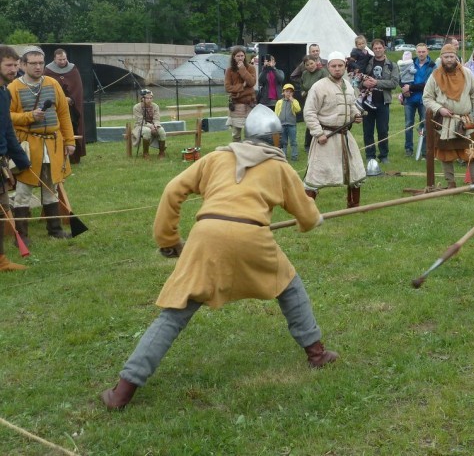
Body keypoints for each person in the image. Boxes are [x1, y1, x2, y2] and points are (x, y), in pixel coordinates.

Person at [100, 104, 337, 411]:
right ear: (275, 139)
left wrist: (169, 239)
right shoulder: (279, 168)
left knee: (174, 313)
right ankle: (317, 354)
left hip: (205, 235)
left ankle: (122, 392)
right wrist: (312, 220)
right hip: (251, 235)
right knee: (289, 288)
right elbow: (305, 215)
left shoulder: (216, 157)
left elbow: (173, 190)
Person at [8, 46, 75, 243]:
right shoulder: (14, 87)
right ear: (23, 64)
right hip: (29, 145)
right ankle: (22, 236)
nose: (38, 67)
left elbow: (63, 113)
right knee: (24, 189)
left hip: (53, 144)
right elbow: (7, 116)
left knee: (51, 186)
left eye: (40, 63)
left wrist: (70, 141)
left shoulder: (53, 83)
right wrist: (29, 116)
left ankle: (55, 230)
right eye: (33, 63)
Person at [303, 51, 366, 207]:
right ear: (327, 67)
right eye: (334, 66)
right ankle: (306, 210)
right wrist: (318, 133)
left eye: (340, 66)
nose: (337, 69)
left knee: (354, 171)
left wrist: (356, 114)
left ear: (345, 66)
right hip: (326, 136)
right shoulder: (319, 87)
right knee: (316, 174)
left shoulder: (348, 85)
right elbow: (309, 112)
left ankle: (353, 206)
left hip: (345, 136)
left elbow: (350, 104)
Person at [422, 44, 474, 188]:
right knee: (446, 154)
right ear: (441, 58)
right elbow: (427, 98)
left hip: (465, 121)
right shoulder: (435, 76)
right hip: (446, 122)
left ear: (456, 57)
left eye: (451, 56)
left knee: (471, 151)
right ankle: (451, 183)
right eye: (446, 57)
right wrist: (439, 109)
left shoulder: (467, 73)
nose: (449, 59)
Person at [0, 46, 31, 271]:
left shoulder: (5, 93)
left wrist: (21, 160)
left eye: (15, 65)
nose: (14, 69)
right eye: (8, 65)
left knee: (2, 207)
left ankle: (1, 261)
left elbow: (8, 129)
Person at [43, 48, 85, 164]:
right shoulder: (48, 71)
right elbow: (47, 89)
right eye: (60, 59)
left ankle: (74, 156)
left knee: (72, 126)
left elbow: (78, 88)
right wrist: (60, 99)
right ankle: (57, 155)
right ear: (54, 59)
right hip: (55, 108)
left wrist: (71, 99)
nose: (62, 62)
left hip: (72, 107)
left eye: (64, 59)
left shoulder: (73, 69)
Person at [361, 39, 399, 164]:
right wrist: (363, 83)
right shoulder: (367, 63)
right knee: (368, 130)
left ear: (384, 48)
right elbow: (357, 77)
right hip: (367, 101)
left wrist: (377, 82)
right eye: (375, 48)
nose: (377, 50)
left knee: (383, 130)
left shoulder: (392, 65)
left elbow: (394, 83)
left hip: (383, 101)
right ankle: (370, 155)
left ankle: (383, 155)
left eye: (379, 48)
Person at [402, 44, 435, 158]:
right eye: (419, 52)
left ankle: (424, 151)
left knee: (425, 124)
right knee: (408, 124)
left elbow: (428, 84)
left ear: (427, 52)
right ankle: (408, 149)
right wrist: (404, 89)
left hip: (424, 100)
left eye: (423, 51)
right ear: (416, 52)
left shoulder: (432, 65)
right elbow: (402, 77)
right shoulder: (409, 63)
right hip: (410, 99)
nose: (421, 54)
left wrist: (410, 88)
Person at [224, 46, 257, 142]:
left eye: (242, 55)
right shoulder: (229, 70)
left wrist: (242, 69)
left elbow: (251, 83)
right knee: (236, 133)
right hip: (236, 104)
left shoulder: (250, 68)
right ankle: (236, 151)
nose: (240, 58)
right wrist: (242, 86)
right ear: (234, 57)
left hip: (249, 103)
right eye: (238, 56)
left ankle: (248, 152)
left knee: (250, 131)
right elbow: (228, 87)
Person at [298, 54, 329, 153]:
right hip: (309, 100)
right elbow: (302, 85)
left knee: (321, 122)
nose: (310, 66)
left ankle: (321, 141)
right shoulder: (305, 74)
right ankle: (308, 145)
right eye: (307, 65)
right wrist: (302, 91)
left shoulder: (323, 72)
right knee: (310, 122)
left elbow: (326, 85)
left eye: (311, 63)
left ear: (315, 62)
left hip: (321, 101)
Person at [131, 89, 167, 159]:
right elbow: (140, 121)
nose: (149, 100)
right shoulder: (136, 107)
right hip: (140, 126)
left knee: (162, 131)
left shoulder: (155, 106)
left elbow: (156, 119)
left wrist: (156, 126)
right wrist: (151, 126)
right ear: (142, 99)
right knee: (147, 131)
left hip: (154, 125)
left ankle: (161, 152)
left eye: (151, 98)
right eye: (147, 98)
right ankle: (146, 153)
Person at [275, 84, 301, 161]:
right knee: (283, 142)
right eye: (286, 91)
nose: (288, 93)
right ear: (283, 92)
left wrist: (292, 100)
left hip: (291, 125)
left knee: (293, 141)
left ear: (293, 93)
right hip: (282, 125)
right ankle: (283, 156)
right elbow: (276, 113)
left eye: (290, 92)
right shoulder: (279, 102)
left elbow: (298, 109)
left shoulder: (294, 101)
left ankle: (294, 156)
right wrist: (277, 123)